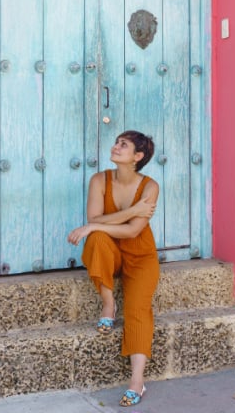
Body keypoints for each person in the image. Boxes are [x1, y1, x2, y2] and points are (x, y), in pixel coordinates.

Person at [67, 130, 161, 407]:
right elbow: (95, 220)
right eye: (117, 142)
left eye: (124, 145)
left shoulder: (150, 186)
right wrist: (130, 211)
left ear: (138, 156)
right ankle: (108, 304)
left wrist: (97, 223)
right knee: (96, 239)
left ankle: (137, 382)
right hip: (110, 251)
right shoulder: (99, 180)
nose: (116, 147)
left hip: (141, 255)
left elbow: (132, 231)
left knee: (138, 310)